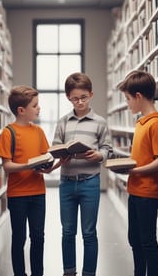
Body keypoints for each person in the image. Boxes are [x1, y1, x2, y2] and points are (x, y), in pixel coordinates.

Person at [0, 85, 60, 276]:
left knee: (38, 237)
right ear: (21, 110)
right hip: (18, 195)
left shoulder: (39, 132)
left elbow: (44, 167)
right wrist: (27, 166)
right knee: (19, 238)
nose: (39, 108)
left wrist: (59, 162)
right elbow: (7, 166)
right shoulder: (8, 132)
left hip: (38, 193)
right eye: (35, 105)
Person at [52, 72, 112, 276]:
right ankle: (69, 271)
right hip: (66, 183)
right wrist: (62, 155)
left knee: (89, 232)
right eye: (75, 98)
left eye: (83, 97)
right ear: (68, 97)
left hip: (90, 183)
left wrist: (98, 155)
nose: (79, 102)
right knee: (68, 232)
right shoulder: (63, 122)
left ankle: (89, 273)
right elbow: (55, 148)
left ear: (91, 95)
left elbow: (107, 149)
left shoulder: (100, 122)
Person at [117, 70, 158, 276]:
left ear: (138, 96)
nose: (127, 103)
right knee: (134, 239)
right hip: (135, 189)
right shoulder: (140, 123)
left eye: (128, 99)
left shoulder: (155, 124)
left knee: (147, 240)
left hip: (147, 191)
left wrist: (134, 169)